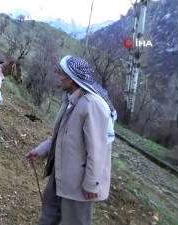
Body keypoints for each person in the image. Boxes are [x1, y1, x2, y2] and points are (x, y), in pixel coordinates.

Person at [25, 55, 117, 225]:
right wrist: (41, 151)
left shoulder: (91, 105)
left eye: (63, 73)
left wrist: (91, 184)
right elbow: (63, 135)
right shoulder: (71, 100)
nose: (60, 77)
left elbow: (98, 150)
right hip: (60, 173)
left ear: (73, 77)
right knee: (49, 217)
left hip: (78, 183)